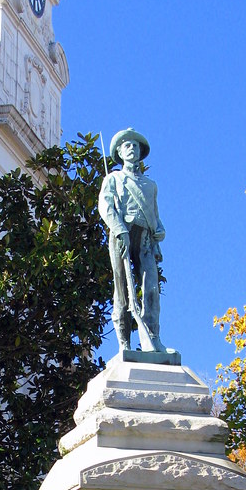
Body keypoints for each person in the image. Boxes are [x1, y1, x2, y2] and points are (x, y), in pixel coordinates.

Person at [99, 128, 165, 352]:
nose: (131, 148)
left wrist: (160, 231)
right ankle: (124, 343)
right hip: (122, 235)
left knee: (151, 289)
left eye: (135, 145)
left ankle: (153, 338)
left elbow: (155, 217)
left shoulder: (150, 185)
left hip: (145, 240)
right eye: (127, 145)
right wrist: (120, 230)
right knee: (122, 291)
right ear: (119, 151)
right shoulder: (113, 179)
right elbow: (106, 207)